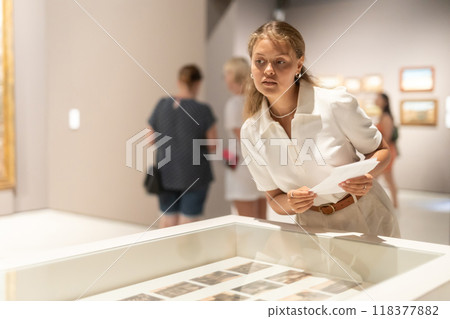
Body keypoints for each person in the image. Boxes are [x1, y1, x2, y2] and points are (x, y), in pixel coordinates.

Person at [240, 21, 400, 237]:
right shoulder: (251, 131)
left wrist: (366, 175)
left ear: (298, 64)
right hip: (310, 227)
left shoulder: (334, 103)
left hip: (365, 216)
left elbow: (382, 150)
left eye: (280, 61)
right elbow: (273, 198)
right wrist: (290, 202)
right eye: (260, 61)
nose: (268, 70)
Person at [148, 65, 217, 228]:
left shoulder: (162, 105)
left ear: (179, 81)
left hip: (166, 174)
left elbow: (150, 139)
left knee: (167, 223)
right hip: (194, 175)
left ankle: (166, 254)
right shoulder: (203, 110)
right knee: (188, 226)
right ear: (198, 83)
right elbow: (213, 146)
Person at [223, 57, 266, 218]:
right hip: (259, 166)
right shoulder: (258, 100)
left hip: (241, 166)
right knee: (262, 220)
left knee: (247, 222)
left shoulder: (234, 104)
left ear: (235, 75)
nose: (225, 78)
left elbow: (243, 137)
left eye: (227, 73)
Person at [375, 93, 399, 208]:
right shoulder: (383, 116)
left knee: (387, 178)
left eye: (378, 98)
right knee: (378, 178)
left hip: (387, 151)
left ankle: (395, 203)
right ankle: (393, 203)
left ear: (385, 102)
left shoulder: (386, 117)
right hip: (385, 151)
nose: (376, 100)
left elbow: (387, 137)